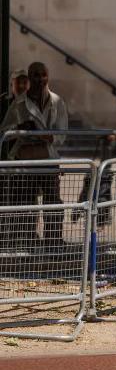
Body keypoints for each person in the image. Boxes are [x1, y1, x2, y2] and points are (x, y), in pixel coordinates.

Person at [0, 62, 69, 249]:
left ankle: (54, 239)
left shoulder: (57, 102)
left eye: (43, 75)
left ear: (48, 76)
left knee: (53, 200)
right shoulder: (19, 104)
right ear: (30, 77)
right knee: (27, 200)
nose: (40, 79)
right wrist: (21, 131)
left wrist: (46, 136)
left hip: (48, 158)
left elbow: (62, 134)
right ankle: (30, 239)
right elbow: (5, 130)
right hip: (26, 160)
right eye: (35, 75)